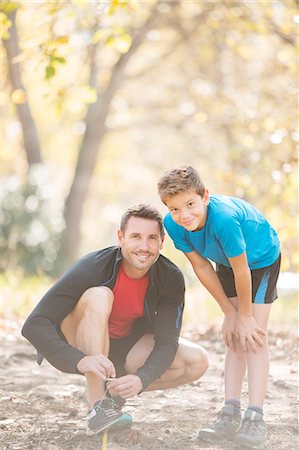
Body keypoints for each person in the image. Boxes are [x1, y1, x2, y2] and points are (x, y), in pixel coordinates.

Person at [22, 203, 208, 435]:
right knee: (100, 295)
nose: (144, 246)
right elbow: (34, 324)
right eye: (136, 236)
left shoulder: (170, 277)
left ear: (162, 242)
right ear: (121, 237)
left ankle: (111, 393)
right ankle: (97, 407)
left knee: (197, 361)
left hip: (126, 346)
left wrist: (142, 379)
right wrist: (79, 360)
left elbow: (167, 341)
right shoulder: (93, 266)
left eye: (152, 238)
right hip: (78, 339)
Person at [157, 166, 281, 449]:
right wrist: (229, 313)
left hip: (260, 261)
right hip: (227, 262)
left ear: (205, 197)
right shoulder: (174, 225)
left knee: (253, 336)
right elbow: (201, 265)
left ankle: (256, 416)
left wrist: (246, 316)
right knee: (235, 336)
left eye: (190, 204)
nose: (184, 215)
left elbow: (243, 269)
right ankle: (230, 411)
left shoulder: (223, 219)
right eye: (175, 209)